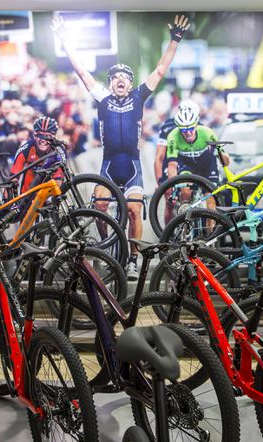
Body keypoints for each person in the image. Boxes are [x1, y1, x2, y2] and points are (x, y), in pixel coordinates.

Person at [52, 14, 190, 280]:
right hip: (109, 164)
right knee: (101, 210)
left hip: (132, 165)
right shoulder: (102, 97)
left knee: (134, 211)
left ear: (130, 81)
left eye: (124, 77)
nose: (119, 80)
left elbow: (160, 70)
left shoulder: (139, 96)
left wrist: (175, 39)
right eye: (115, 77)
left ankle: (133, 260)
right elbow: (81, 70)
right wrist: (64, 40)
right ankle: (107, 248)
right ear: (110, 82)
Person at [165, 100, 230, 209]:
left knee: (211, 201)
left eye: (191, 128)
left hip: (207, 166)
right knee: (185, 191)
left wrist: (222, 155)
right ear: (178, 128)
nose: (188, 133)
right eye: (184, 130)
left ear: (196, 125)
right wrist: (173, 187)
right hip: (188, 166)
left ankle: (210, 226)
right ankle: (186, 221)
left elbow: (225, 161)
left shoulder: (207, 133)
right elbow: (172, 165)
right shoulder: (173, 136)